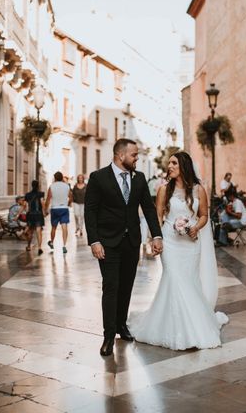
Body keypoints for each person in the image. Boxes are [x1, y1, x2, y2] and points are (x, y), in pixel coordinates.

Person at [128, 151, 228, 350]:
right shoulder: (164, 189)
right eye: (169, 163)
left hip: (191, 243)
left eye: (174, 163)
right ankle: (175, 329)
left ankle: (193, 326)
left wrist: (195, 228)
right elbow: (157, 216)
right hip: (170, 242)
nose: (170, 166)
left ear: (184, 166)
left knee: (189, 281)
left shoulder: (199, 189)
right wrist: (155, 239)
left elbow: (203, 215)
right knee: (173, 278)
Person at [84, 138, 163, 356]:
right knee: (111, 287)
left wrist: (156, 235)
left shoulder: (139, 179)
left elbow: (148, 208)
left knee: (126, 286)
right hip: (107, 243)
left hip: (131, 243)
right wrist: (94, 241)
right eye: (134, 155)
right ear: (120, 156)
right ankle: (108, 336)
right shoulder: (98, 177)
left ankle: (121, 326)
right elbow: (90, 211)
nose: (137, 158)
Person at [44, 171, 72, 254]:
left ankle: (52, 242)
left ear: (55, 178)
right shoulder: (66, 186)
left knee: (54, 227)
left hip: (54, 208)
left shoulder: (51, 186)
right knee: (64, 226)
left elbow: (48, 199)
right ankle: (64, 245)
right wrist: (68, 203)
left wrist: (45, 209)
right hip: (64, 208)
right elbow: (71, 197)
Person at [24, 181, 45, 255]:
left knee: (30, 232)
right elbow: (42, 203)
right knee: (39, 231)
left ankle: (29, 246)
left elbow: (25, 206)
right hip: (38, 214)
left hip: (30, 215)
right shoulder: (41, 194)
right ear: (38, 185)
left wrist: (22, 214)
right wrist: (44, 211)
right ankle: (39, 248)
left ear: (31, 185)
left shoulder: (27, 195)